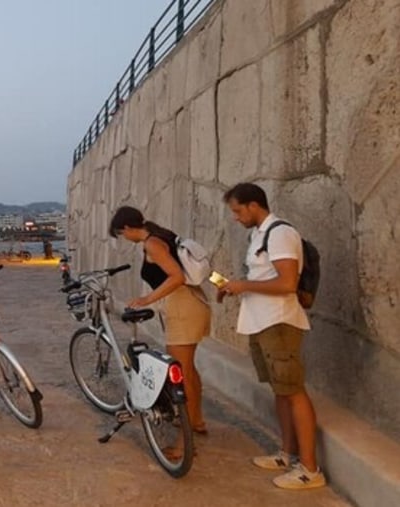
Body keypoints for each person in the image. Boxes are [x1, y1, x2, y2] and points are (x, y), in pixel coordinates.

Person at [218, 182, 325, 490]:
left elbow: (287, 283)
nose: (236, 218)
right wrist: (235, 287)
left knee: (293, 391)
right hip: (261, 323)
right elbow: (264, 277)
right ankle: (287, 453)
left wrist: (243, 286)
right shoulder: (260, 235)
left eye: (238, 211)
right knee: (281, 391)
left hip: (279, 323)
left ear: (254, 205)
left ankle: (310, 469)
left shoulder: (280, 233)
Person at [109, 206, 211, 445]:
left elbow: (177, 276)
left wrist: (147, 300)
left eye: (121, 234)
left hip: (182, 307)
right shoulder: (163, 235)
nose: (124, 238)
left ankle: (186, 443)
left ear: (126, 228)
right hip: (192, 304)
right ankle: (196, 421)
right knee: (188, 370)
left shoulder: (152, 244)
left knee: (182, 375)